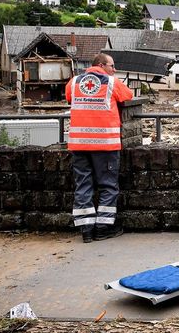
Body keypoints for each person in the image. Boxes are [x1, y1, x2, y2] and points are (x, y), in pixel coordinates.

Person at [65, 53, 133, 243]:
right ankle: (103, 228)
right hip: (105, 143)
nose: (114, 69)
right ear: (102, 65)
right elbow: (128, 95)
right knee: (108, 185)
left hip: (79, 143)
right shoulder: (111, 82)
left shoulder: (75, 81)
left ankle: (86, 230)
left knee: (83, 185)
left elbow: (68, 97)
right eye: (112, 65)